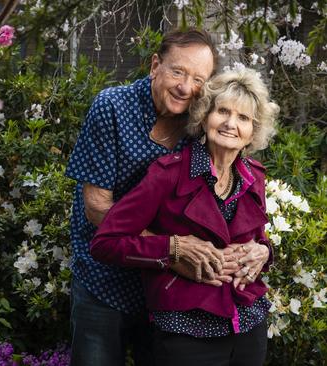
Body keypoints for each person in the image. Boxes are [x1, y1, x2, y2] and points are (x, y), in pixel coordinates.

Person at [90, 67, 279, 366]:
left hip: (247, 325)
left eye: (243, 118)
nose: (231, 124)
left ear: (253, 132)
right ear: (205, 117)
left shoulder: (253, 176)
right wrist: (172, 248)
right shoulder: (168, 174)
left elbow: (258, 240)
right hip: (186, 328)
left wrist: (263, 251)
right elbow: (106, 242)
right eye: (223, 112)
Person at [65, 29, 226, 365]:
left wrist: (258, 247)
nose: (186, 88)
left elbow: (229, 190)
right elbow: (96, 207)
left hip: (165, 286)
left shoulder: (199, 127)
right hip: (103, 277)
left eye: (199, 79)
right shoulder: (112, 107)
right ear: (156, 65)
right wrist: (171, 249)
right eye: (178, 72)